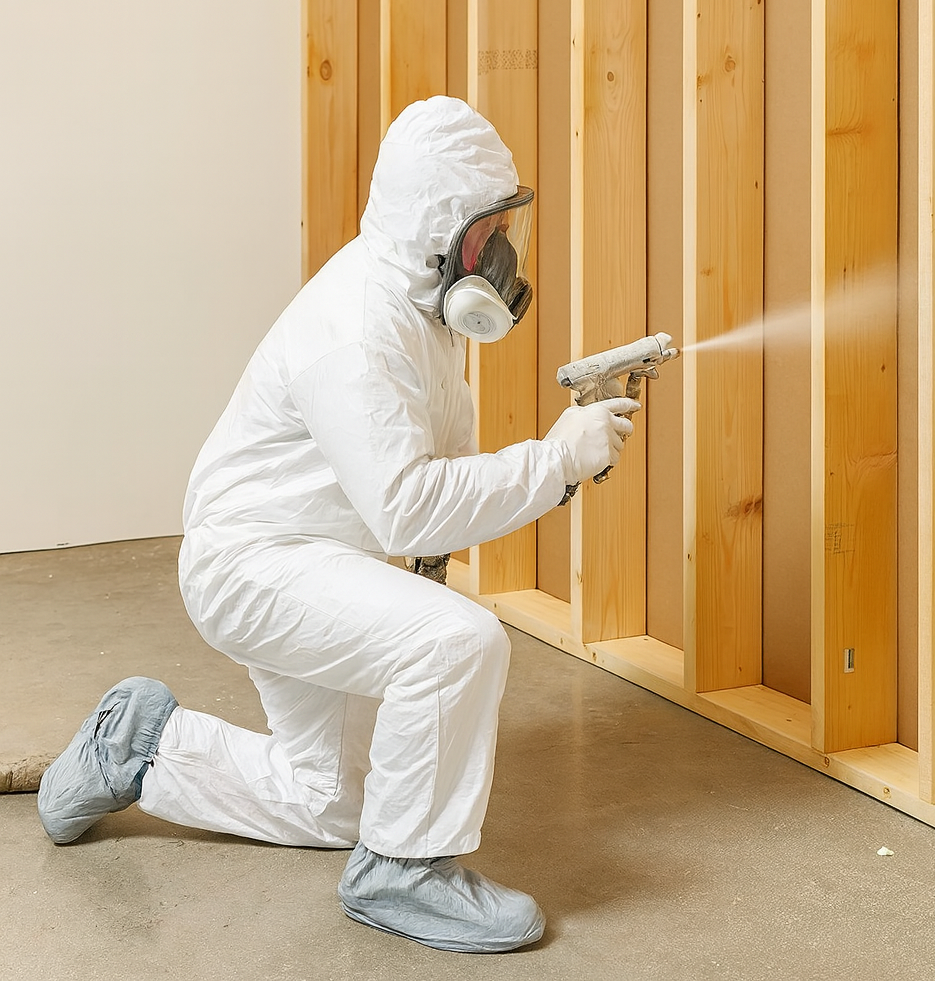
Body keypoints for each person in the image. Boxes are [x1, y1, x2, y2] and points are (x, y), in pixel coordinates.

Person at [37, 96, 638, 954]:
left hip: (317, 561)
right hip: (258, 566)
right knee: (460, 643)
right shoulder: (359, 328)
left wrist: (555, 463)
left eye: (508, 227)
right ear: (441, 228)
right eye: (490, 229)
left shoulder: (421, 309)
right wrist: (555, 461)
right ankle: (405, 873)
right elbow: (407, 504)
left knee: (339, 801)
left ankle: (138, 745)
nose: (504, 254)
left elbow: (440, 468)